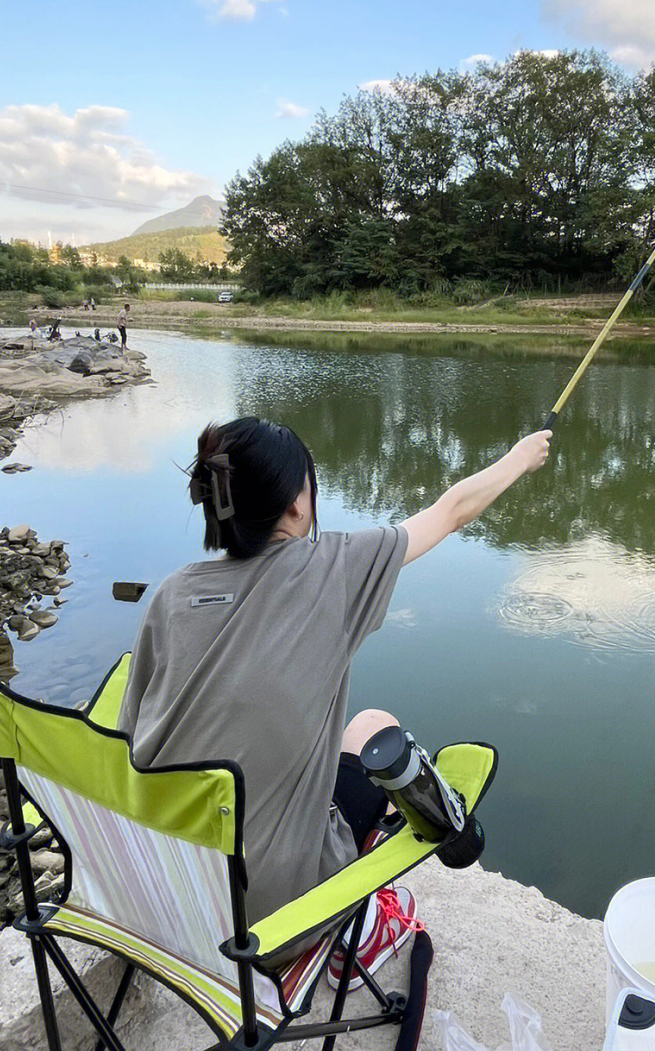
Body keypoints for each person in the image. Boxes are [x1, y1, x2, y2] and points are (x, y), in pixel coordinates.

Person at [118, 416, 552, 986]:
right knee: (380, 732)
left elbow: (128, 741)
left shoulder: (170, 596)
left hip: (168, 905)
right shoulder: (328, 570)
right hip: (268, 926)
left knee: (358, 727)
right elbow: (450, 511)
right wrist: (520, 456)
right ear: (297, 507)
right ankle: (360, 930)